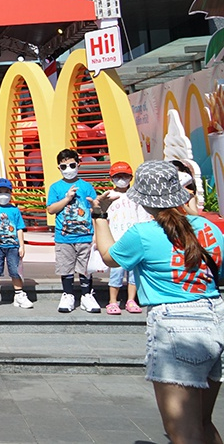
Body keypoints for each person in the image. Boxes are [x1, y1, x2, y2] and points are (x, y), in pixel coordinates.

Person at [92, 161, 224, 444]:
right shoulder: (210, 229)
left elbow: (108, 255)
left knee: (182, 433)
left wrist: (99, 214)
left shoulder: (143, 233)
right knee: (203, 422)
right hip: (217, 317)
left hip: (177, 326)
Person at [46, 149, 99, 313]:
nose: (68, 169)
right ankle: (68, 294)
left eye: (72, 165)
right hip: (64, 237)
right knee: (66, 268)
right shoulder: (56, 187)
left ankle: (86, 295)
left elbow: (95, 209)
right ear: (59, 168)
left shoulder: (86, 186)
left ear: (78, 164)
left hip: (85, 235)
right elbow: (51, 209)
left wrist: (97, 234)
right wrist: (67, 198)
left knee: (85, 268)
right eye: (64, 166)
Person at [95, 162, 147, 315]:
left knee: (133, 272)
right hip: (115, 239)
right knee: (116, 271)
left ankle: (131, 299)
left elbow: (143, 217)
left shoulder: (137, 196)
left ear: (131, 177)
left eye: (125, 176)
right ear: (112, 178)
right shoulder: (108, 196)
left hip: (134, 239)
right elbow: (101, 217)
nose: (122, 179)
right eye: (118, 176)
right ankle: (113, 301)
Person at [0, 179, 32, 310]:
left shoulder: (15, 210)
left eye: (5, 192)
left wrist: (22, 245)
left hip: (13, 245)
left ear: (10, 193)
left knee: (16, 271)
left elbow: (19, 228)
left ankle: (19, 294)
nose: (2, 195)